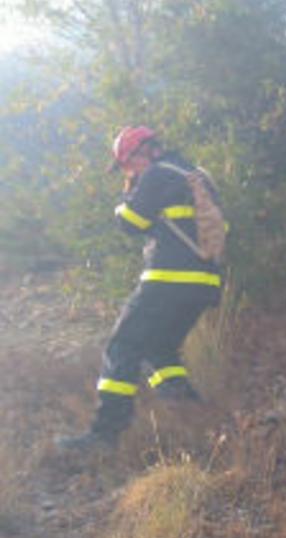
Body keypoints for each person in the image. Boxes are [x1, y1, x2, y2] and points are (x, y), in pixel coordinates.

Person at [57, 126, 223, 451]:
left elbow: (130, 223)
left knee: (122, 347)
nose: (128, 170)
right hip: (204, 284)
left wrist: (125, 198)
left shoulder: (158, 173)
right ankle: (193, 414)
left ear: (144, 152)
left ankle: (104, 434)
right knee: (159, 349)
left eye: (127, 163)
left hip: (167, 280)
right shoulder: (195, 173)